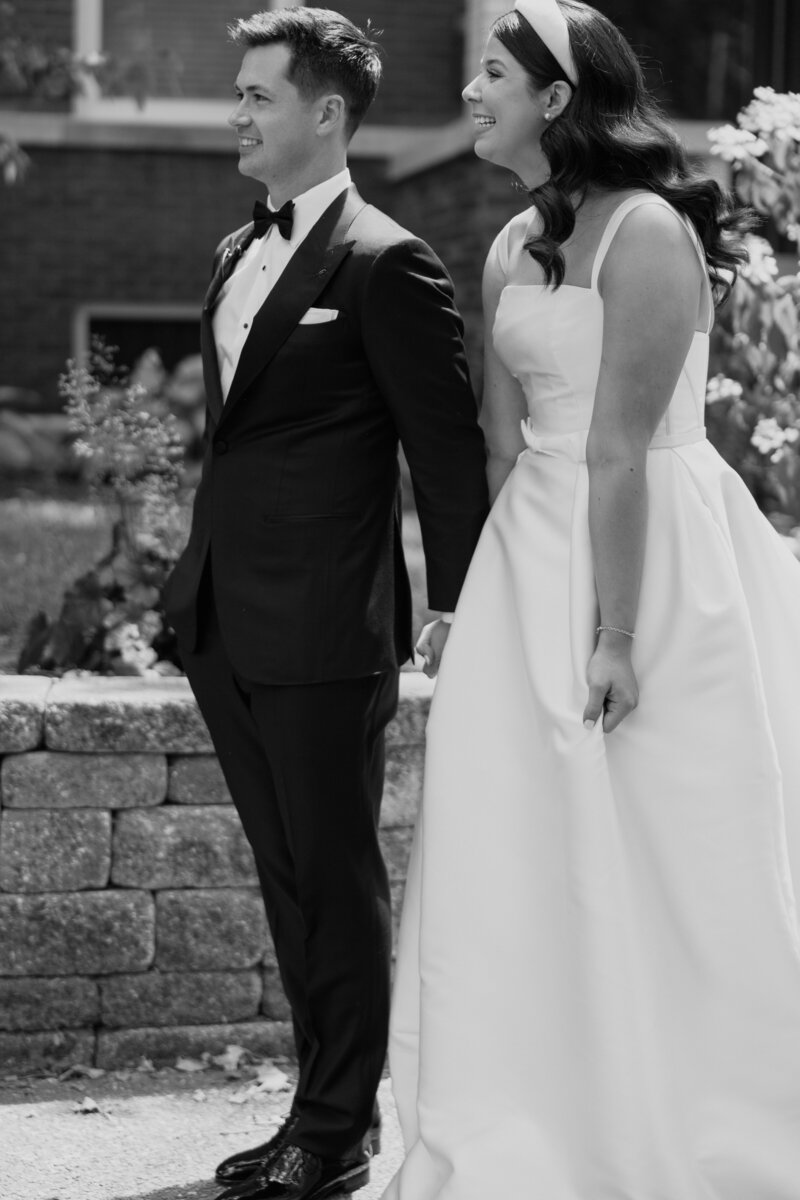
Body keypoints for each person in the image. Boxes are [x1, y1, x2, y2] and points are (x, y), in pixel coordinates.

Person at [385, 1, 800, 1196]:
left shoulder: (651, 236)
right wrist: (472, 602)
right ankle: (538, 1106)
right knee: (519, 838)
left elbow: (619, 453)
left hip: (654, 561)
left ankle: (696, 1106)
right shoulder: (512, 240)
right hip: (530, 556)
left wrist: (614, 638)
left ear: (557, 99)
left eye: (494, 74)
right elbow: (502, 446)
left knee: (673, 843)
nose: (471, 91)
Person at [161, 8, 489, 1200]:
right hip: (222, 618)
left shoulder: (387, 261)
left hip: (322, 628)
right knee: (283, 876)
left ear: (326, 114)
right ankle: (312, 1111)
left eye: (257, 94)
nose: (235, 112)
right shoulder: (231, 252)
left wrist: (456, 605)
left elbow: (445, 458)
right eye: (237, 92)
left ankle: (339, 1130)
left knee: (332, 877)